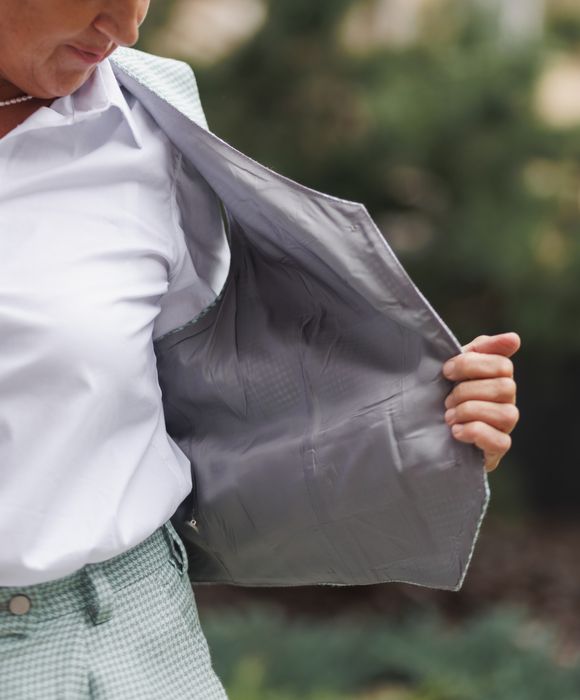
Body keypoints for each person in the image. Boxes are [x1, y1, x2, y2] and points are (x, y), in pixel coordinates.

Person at [0, 0, 520, 697]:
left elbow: (220, 396)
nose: (124, 29)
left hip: (132, 643)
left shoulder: (145, 123)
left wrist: (430, 422)